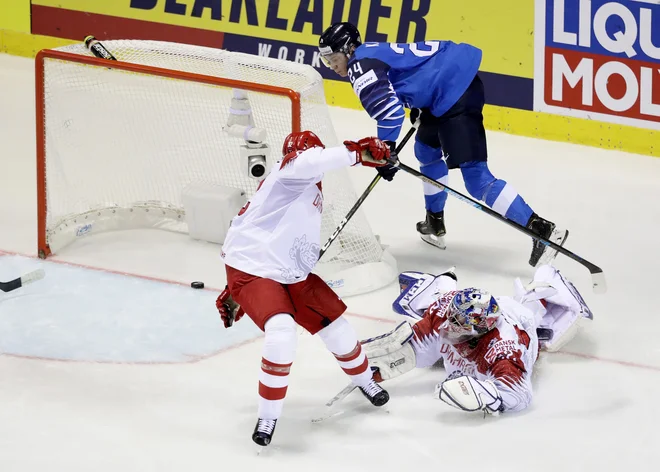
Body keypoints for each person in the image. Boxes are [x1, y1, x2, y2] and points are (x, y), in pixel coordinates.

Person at [318, 23, 567, 267]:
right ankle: (434, 221)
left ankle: (541, 229)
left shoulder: (358, 65)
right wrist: (417, 104)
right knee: (425, 149)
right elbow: (408, 71)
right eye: (326, 59)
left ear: (349, 49)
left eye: (332, 57)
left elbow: (390, 113)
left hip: (453, 93)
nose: (331, 65)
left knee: (476, 179)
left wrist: (386, 149)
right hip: (444, 87)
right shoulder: (369, 52)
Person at [216, 130, 391, 446]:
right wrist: (361, 153)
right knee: (281, 332)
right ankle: (267, 418)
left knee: (337, 328)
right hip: (254, 270)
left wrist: (376, 161)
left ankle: (366, 381)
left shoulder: (302, 186)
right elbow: (315, 158)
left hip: (288, 272)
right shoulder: (292, 170)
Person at [361, 265, 593, 414]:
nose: (448, 330)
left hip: (519, 323)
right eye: (452, 321)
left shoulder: (503, 351)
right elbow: (423, 340)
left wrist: (485, 395)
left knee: (528, 309)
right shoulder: (447, 309)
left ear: (482, 331)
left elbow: (519, 396)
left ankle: (545, 291)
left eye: (459, 329)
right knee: (424, 312)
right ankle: (437, 284)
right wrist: (380, 367)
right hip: (486, 318)